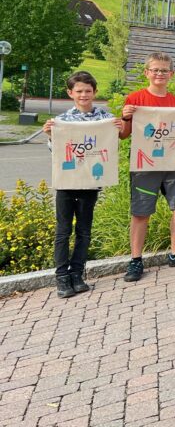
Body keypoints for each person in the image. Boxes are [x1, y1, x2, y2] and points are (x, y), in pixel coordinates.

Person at [119, 53, 175, 281]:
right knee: (140, 213)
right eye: (155, 70)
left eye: (164, 70)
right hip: (144, 166)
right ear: (146, 72)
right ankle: (136, 260)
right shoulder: (135, 99)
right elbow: (123, 136)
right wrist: (125, 118)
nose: (159, 74)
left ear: (171, 74)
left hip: (172, 165)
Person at [43, 71, 123, 297]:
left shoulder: (104, 117)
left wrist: (117, 128)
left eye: (88, 90)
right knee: (63, 231)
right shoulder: (63, 121)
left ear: (95, 92)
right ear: (70, 93)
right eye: (79, 91)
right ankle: (61, 277)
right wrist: (50, 136)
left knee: (84, 231)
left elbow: (110, 144)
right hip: (67, 183)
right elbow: (55, 152)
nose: (83, 95)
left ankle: (77, 274)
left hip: (90, 183)